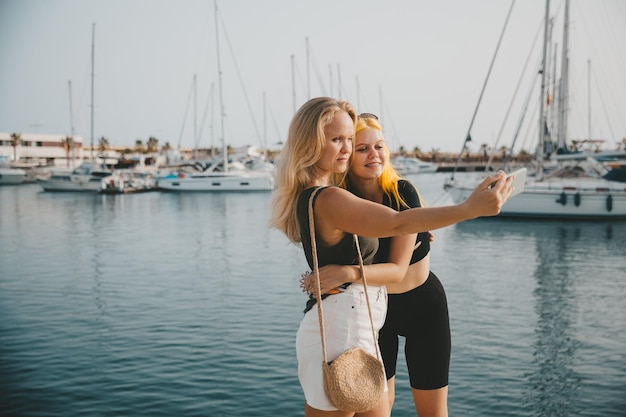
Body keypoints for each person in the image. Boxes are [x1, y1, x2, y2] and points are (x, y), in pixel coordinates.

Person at [269, 97, 513, 417]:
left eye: (348, 139)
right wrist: (469, 209)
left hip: (360, 323)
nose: (345, 148)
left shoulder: (326, 195)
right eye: (337, 140)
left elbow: (393, 225)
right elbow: (396, 222)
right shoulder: (328, 198)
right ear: (312, 142)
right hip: (340, 330)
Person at [304, 113, 451, 416]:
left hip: (423, 307)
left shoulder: (402, 192)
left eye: (380, 146)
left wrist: (345, 274)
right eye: (362, 148)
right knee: (376, 406)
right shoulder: (342, 201)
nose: (375, 155)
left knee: (433, 412)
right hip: (373, 312)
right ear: (347, 156)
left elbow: (397, 267)